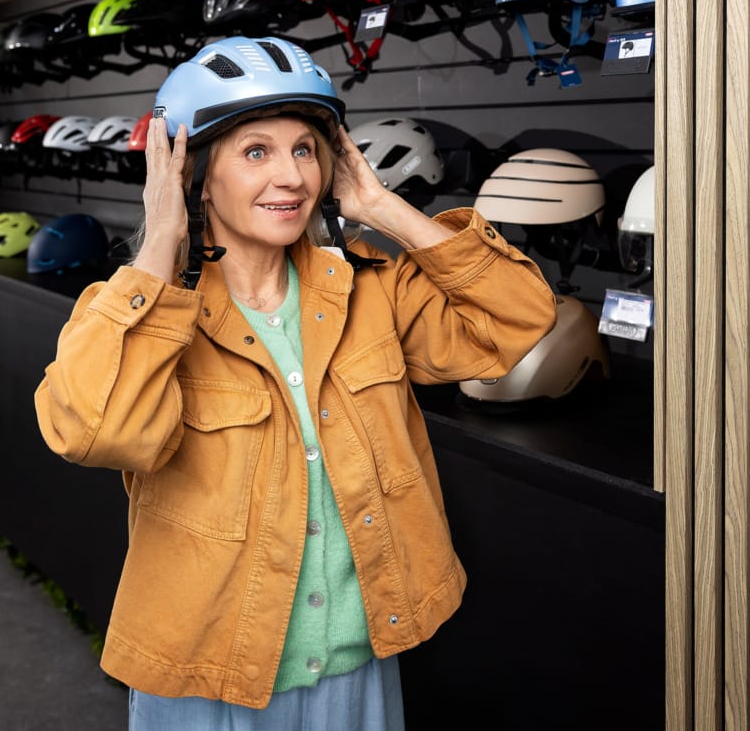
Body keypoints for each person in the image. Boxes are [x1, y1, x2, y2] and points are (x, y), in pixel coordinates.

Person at [35, 37, 556, 729]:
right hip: (209, 679)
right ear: (196, 174)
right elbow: (94, 431)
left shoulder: (367, 284)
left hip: (359, 665)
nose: (291, 177)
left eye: (305, 149)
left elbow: (516, 319)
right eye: (256, 152)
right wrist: (162, 240)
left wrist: (381, 207)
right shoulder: (144, 313)